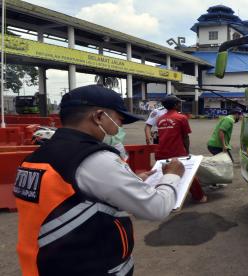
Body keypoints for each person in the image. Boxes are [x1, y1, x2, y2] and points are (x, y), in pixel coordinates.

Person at [13, 85, 185, 276]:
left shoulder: (37, 156)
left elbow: (69, 199)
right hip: (90, 268)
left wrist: (133, 180)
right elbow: (156, 208)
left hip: (42, 265)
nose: (119, 127)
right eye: (119, 119)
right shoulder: (94, 159)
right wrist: (173, 175)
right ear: (98, 116)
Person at [157, 95, 207, 203]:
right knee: (189, 173)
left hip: (161, 152)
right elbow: (185, 137)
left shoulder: (160, 119)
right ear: (175, 105)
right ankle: (199, 197)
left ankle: (166, 198)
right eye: (179, 103)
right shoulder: (181, 118)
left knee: (166, 175)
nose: (180, 105)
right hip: (177, 151)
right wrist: (187, 152)